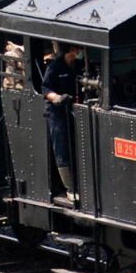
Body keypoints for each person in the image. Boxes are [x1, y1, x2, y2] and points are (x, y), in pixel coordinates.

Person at [41, 43, 81, 203]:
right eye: (80, 49)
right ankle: (70, 187)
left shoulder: (79, 66)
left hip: (75, 110)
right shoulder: (55, 67)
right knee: (61, 146)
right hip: (57, 112)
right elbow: (45, 89)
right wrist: (56, 98)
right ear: (72, 50)